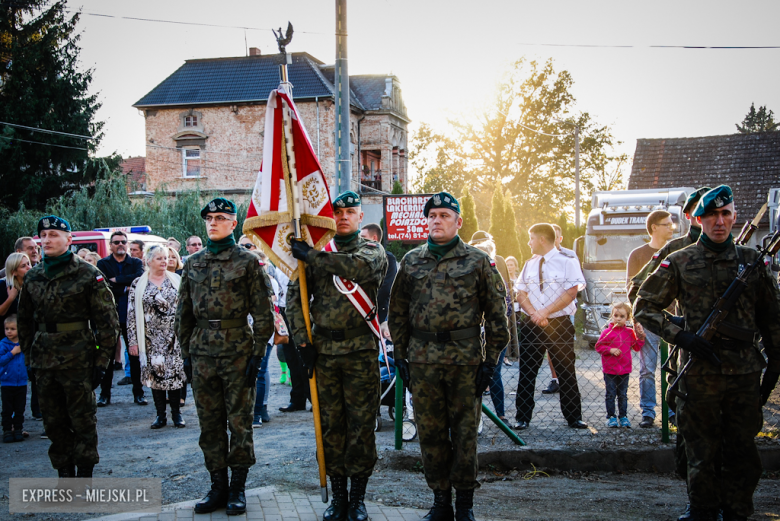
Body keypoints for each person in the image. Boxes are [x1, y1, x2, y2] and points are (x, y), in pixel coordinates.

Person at [634, 185, 780, 521]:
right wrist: (682, 336)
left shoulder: (751, 261)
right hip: (700, 373)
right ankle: (701, 509)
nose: (719, 221)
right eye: (711, 215)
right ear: (698, 219)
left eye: (725, 214)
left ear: (734, 217)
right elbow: (643, 306)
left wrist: (775, 361)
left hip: (744, 373)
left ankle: (737, 510)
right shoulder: (680, 260)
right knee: (701, 449)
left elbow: (772, 317)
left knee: (742, 449)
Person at [389, 192, 509, 521]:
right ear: (426, 221)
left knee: (466, 433)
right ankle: (440, 501)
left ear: (458, 222)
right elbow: (397, 312)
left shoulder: (477, 261)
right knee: (430, 432)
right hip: (423, 361)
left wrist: (491, 361)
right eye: (432, 215)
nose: (437, 220)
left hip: (465, 361)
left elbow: (498, 315)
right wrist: (401, 354)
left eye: (444, 215)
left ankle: (465, 504)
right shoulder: (412, 261)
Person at [287, 190, 387, 521]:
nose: (343, 216)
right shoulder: (316, 252)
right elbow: (295, 299)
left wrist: (311, 256)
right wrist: (302, 343)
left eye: (350, 211)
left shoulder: (372, 250)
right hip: (324, 354)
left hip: (360, 352)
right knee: (330, 427)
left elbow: (356, 270)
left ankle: (357, 500)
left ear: (361, 217)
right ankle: (338, 497)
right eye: (337, 211)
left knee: (360, 428)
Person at [175, 197, 274, 515]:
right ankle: (217, 486)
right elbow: (184, 313)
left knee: (240, 424)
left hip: (237, 353)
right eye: (209, 218)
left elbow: (262, 313)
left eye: (220, 217)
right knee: (209, 424)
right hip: (203, 353)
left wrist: (258, 355)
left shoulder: (247, 262)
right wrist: (187, 354)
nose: (213, 222)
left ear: (234, 223)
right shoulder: (193, 262)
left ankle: (238, 489)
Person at [18, 215, 120, 477]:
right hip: (43, 360)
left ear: (69, 240)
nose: (47, 240)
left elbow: (108, 324)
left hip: (79, 359)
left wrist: (102, 362)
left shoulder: (87, 274)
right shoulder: (33, 276)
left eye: (53, 235)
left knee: (83, 419)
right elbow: (24, 322)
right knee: (53, 421)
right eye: (43, 235)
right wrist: (29, 359)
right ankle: (64, 471)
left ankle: (85, 473)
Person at [514, 223, 587, 431]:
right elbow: (520, 292)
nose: (529, 243)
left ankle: (574, 417)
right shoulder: (529, 264)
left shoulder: (567, 262)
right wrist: (535, 314)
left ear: (542, 240)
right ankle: (523, 417)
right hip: (533, 324)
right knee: (527, 371)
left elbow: (571, 292)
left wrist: (544, 313)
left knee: (566, 371)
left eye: (531, 238)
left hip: (558, 324)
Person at [128, 245, 186, 429]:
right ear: (149, 261)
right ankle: (160, 415)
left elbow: (186, 309)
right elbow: (131, 315)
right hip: (150, 338)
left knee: (175, 375)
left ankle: (177, 414)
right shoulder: (138, 284)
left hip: (174, 337)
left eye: (167, 258)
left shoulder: (176, 279)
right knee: (156, 376)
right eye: (160, 258)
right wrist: (133, 341)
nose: (165, 261)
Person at [625, 209, 675, 428]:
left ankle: (673, 411)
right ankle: (648, 412)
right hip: (649, 322)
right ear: (654, 227)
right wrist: (636, 321)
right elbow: (631, 289)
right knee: (647, 370)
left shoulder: (678, 250)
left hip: (675, 321)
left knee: (674, 368)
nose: (672, 227)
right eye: (668, 224)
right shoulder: (638, 255)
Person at [97, 230, 146, 406]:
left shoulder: (135, 262)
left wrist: (117, 280)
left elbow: (138, 280)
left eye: (123, 242)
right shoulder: (102, 263)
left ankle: (138, 393)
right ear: (111, 245)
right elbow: (103, 285)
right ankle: (104, 395)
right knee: (107, 357)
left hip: (130, 315)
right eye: (116, 242)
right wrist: (125, 287)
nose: (120, 245)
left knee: (134, 357)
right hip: (109, 316)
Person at [468, 230, 512, 422]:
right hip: (473, 334)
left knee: (494, 372)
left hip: (491, 333)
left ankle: (500, 414)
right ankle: (474, 417)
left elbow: (505, 305)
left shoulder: (496, 275)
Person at [594, 303, 644, 428]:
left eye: (622, 316)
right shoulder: (607, 332)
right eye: (615, 315)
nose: (618, 318)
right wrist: (610, 350)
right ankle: (611, 417)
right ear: (612, 316)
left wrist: (641, 337)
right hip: (610, 369)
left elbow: (636, 347)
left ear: (627, 318)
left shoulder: (629, 332)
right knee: (610, 394)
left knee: (623, 394)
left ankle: (623, 416)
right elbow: (598, 346)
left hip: (624, 369)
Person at [360, 223, 397, 341]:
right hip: (360, 312)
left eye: (363, 237)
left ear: (374, 238)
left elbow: (386, 288)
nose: (360, 241)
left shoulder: (388, 258)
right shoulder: (358, 258)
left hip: (379, 313)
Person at [0, 315, 27, 442]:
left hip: (21, 382)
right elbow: (0, 360)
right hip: (7, 382)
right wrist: (12, 352)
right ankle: (7, 430)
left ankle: (18, 429)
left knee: (20, 408)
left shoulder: (24, 344)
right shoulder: (3, 344)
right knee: (7, 409)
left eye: (12, 329)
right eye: (7, 329)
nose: (9, 331)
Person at [1, 253, 32, 338]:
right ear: (14, 272)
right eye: (23, 266)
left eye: (28, 264)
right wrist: (10, 298)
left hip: (27, 336)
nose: (29, 268)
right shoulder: (3, 286)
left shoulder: (32, 286)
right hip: (7, 339)